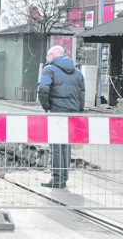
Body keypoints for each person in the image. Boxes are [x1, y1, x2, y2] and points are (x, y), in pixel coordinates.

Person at [37, 45, 85, 188]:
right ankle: (63, 177)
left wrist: (46, 106)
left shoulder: (49, 69)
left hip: (57, 112)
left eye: (48, 56)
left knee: (56, 146)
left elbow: (43, 88)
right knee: (66, 145)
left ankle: (57, 179)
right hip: (73, 112)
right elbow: (82, 94)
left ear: (52, 55)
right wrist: (79, 111)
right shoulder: (77, 73)